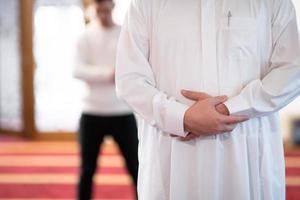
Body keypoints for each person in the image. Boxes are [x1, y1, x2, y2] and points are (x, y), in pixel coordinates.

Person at [115, 0, 300, 199]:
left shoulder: (273, 3)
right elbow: (129, 80)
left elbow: (292, 70)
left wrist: (230, 109)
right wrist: (182, 117)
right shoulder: (145, 4)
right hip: (172, 158)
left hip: (246, 160)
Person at [74, 0, 138, 199]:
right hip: (92, 112)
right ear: (94, 8)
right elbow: (77, 70)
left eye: (106, 8)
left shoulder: (124, 34)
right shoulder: (85, 36)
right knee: (87, 169)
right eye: (99, 9)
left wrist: (122, 75)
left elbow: (135, 67)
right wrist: (108, 74)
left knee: (135, 167)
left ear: (112, 6)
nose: (103, 13)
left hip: (122, 112)